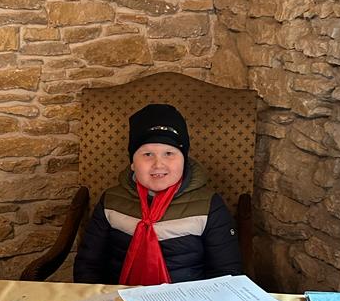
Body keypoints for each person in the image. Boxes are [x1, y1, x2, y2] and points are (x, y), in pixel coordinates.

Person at [73, 103, 243, 286]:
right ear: (132, 163)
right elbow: (88, 265)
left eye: (169, 153)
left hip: (187, 300)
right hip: (118, 297)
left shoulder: (209, 205)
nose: (158, 164)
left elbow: (226, 272)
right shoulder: (111, 201)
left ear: (184, 160)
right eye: (147, 154)